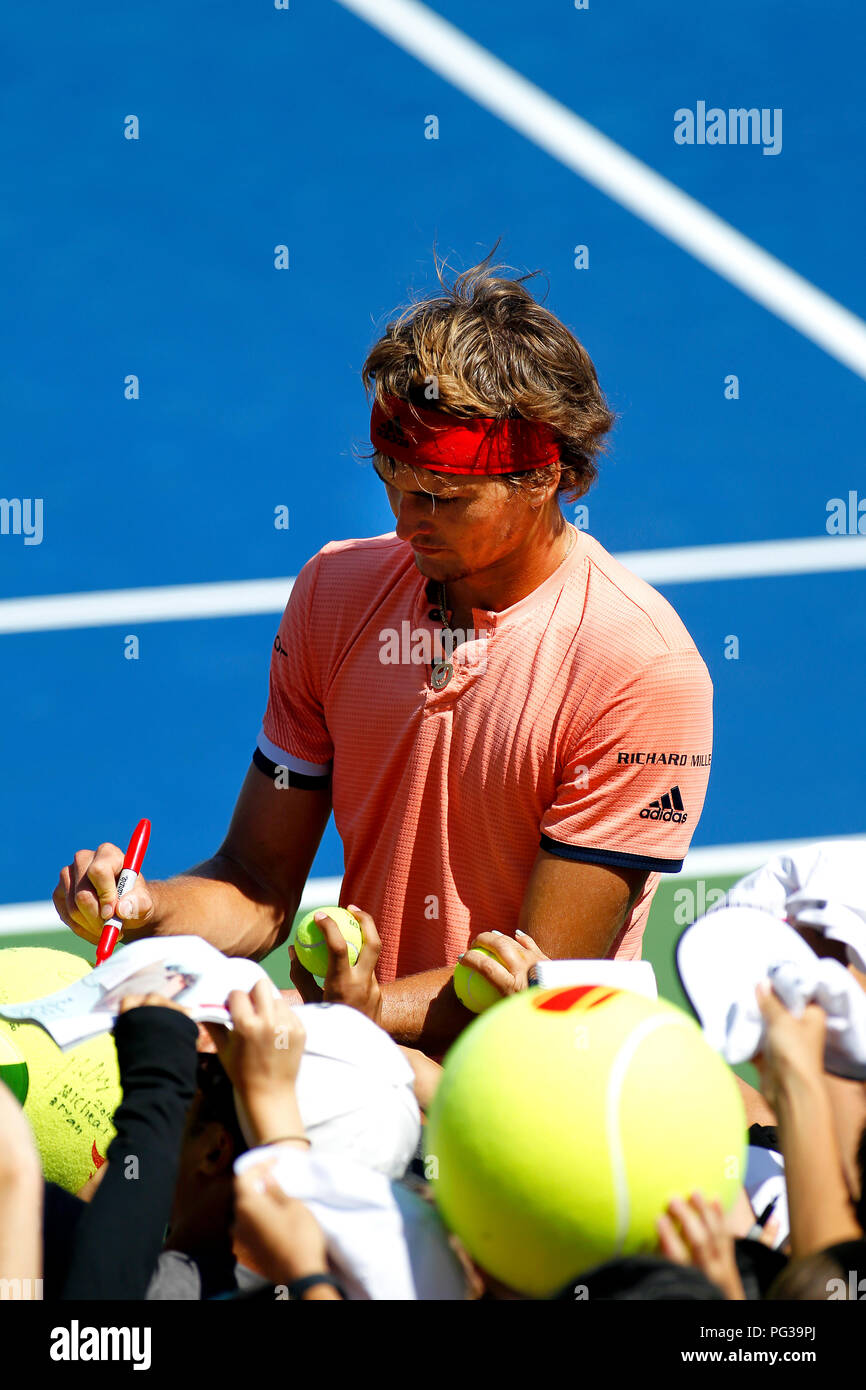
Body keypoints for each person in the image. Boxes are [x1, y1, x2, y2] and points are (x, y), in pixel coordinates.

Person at [53, 253, 713, 1052]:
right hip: (357, 1048)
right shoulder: (335, 593)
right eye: (394, 481)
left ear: (544, 476)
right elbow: (257, 886)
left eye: (443, 497)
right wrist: (150, 906)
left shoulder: (638, 667)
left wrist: (354, 1015)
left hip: (531, 1086)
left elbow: (541, 981)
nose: (405, 522)